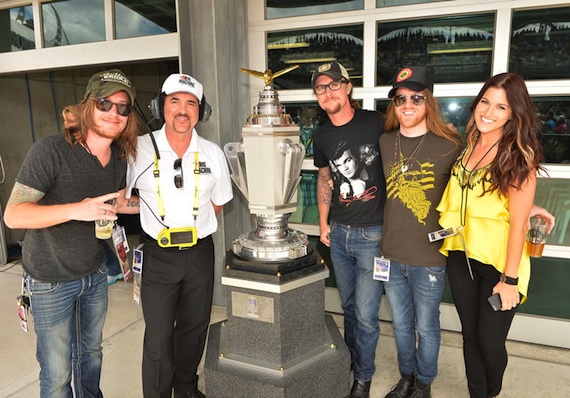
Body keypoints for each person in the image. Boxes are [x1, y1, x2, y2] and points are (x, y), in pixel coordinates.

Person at [4, 68, 139, 397]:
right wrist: (79, 209)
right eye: (105, 103)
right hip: (50, 281)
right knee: (58, 371)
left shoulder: (120, 158)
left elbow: (119, 203)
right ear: (88, 106)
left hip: (95, 276)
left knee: (91, 356)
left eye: (123, 108)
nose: (114, 113)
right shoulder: (51, 151)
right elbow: (13, 215)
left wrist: (168, 207)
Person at [436, 72, 550, 398]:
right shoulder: (468, 145)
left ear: (514, 113)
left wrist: (510, 280)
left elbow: (516, 225)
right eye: (485, 102)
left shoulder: (519, 158)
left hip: (502, 265)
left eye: (501, 107)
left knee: (490, 341)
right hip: (461, 256)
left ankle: (492, 391)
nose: (489, 111)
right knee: (469, 336)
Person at [125, 73, 233, 398]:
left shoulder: (213, 153)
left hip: (199, 253)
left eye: (191, 103)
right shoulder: (138, 150)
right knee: (158, 339)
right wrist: (149, 214)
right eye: (175, 102)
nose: (183, 110)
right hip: (157, 256)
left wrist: (192, 225)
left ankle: (186, 387)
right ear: (162, 107)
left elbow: (218, 203)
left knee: (194, 328)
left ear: (201, 111)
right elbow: (121, 198)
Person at [379, 66, 462, 398]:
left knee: (427, 327)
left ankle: (424, 383)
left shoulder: (450, 144)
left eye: (416, 97)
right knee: (400, 325)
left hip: (429, 258)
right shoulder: (386, 141)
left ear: (429, 100)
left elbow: (480, 185)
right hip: (390, 253)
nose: (408, 105)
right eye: (400, 99)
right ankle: (406, 377)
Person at [311, 61, 386, 398]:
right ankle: (355, 362)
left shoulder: (377, 122)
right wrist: (324, 222)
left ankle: (363, 378)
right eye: (320, 88)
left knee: (368, 314)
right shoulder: (322, 134)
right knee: (350, 308)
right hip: (339, 233)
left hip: (374, 234)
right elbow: (325, 178)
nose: (328, 92)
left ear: (348, 87)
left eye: (333, 84)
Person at [62, 104, 125, 285]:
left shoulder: (113, 154)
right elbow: (14, 216)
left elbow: (120, 201)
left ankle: (113, 270)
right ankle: (113, 269)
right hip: (77, 218)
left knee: (98, 239)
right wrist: (75, 209)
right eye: (65, 121)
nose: (67, 125)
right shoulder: (58, 150)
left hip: (99, 211)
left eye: (71, 120)